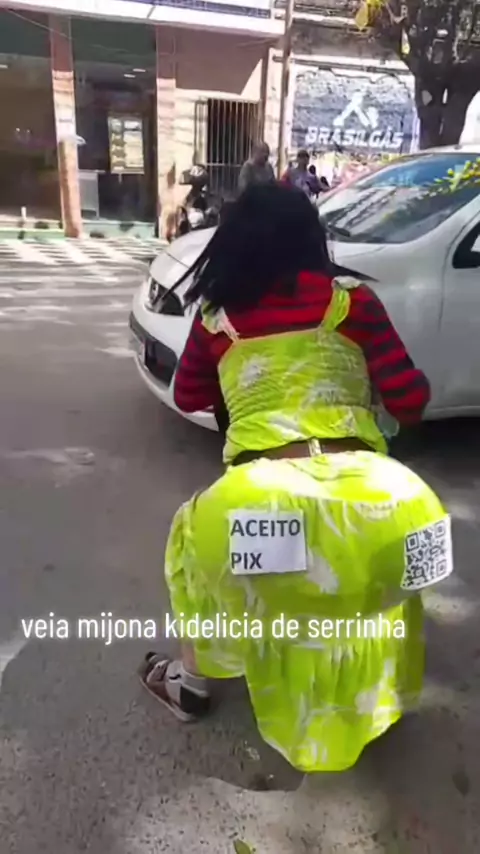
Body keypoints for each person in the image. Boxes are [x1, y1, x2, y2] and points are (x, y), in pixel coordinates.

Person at [139, 183, 452, 773]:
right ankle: (378, 692)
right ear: (312, 239)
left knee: (195, 548)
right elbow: (410, 400)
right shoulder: (353, 303)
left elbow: (187, 395)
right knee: (380, 568)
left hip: (259, 504)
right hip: (387, 501)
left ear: (232, 247)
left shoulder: (218, 320)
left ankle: (190, 684)